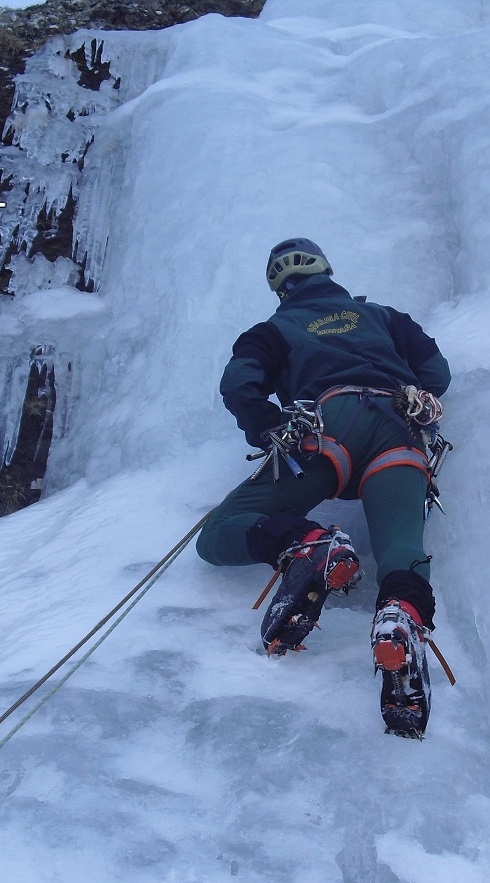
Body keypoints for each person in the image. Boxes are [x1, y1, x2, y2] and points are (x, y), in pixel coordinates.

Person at [196, 238, 451, 738]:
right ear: (327, 272)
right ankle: (400, 618)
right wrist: (418, 393)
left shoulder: (271, 331)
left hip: (327, 430)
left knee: (216, 534)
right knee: (401, 547)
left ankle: (307, 545)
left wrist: (269, 424)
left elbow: (238, 383)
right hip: (401, 427)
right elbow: (435, 371)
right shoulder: (382, 316)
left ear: (280, 287)